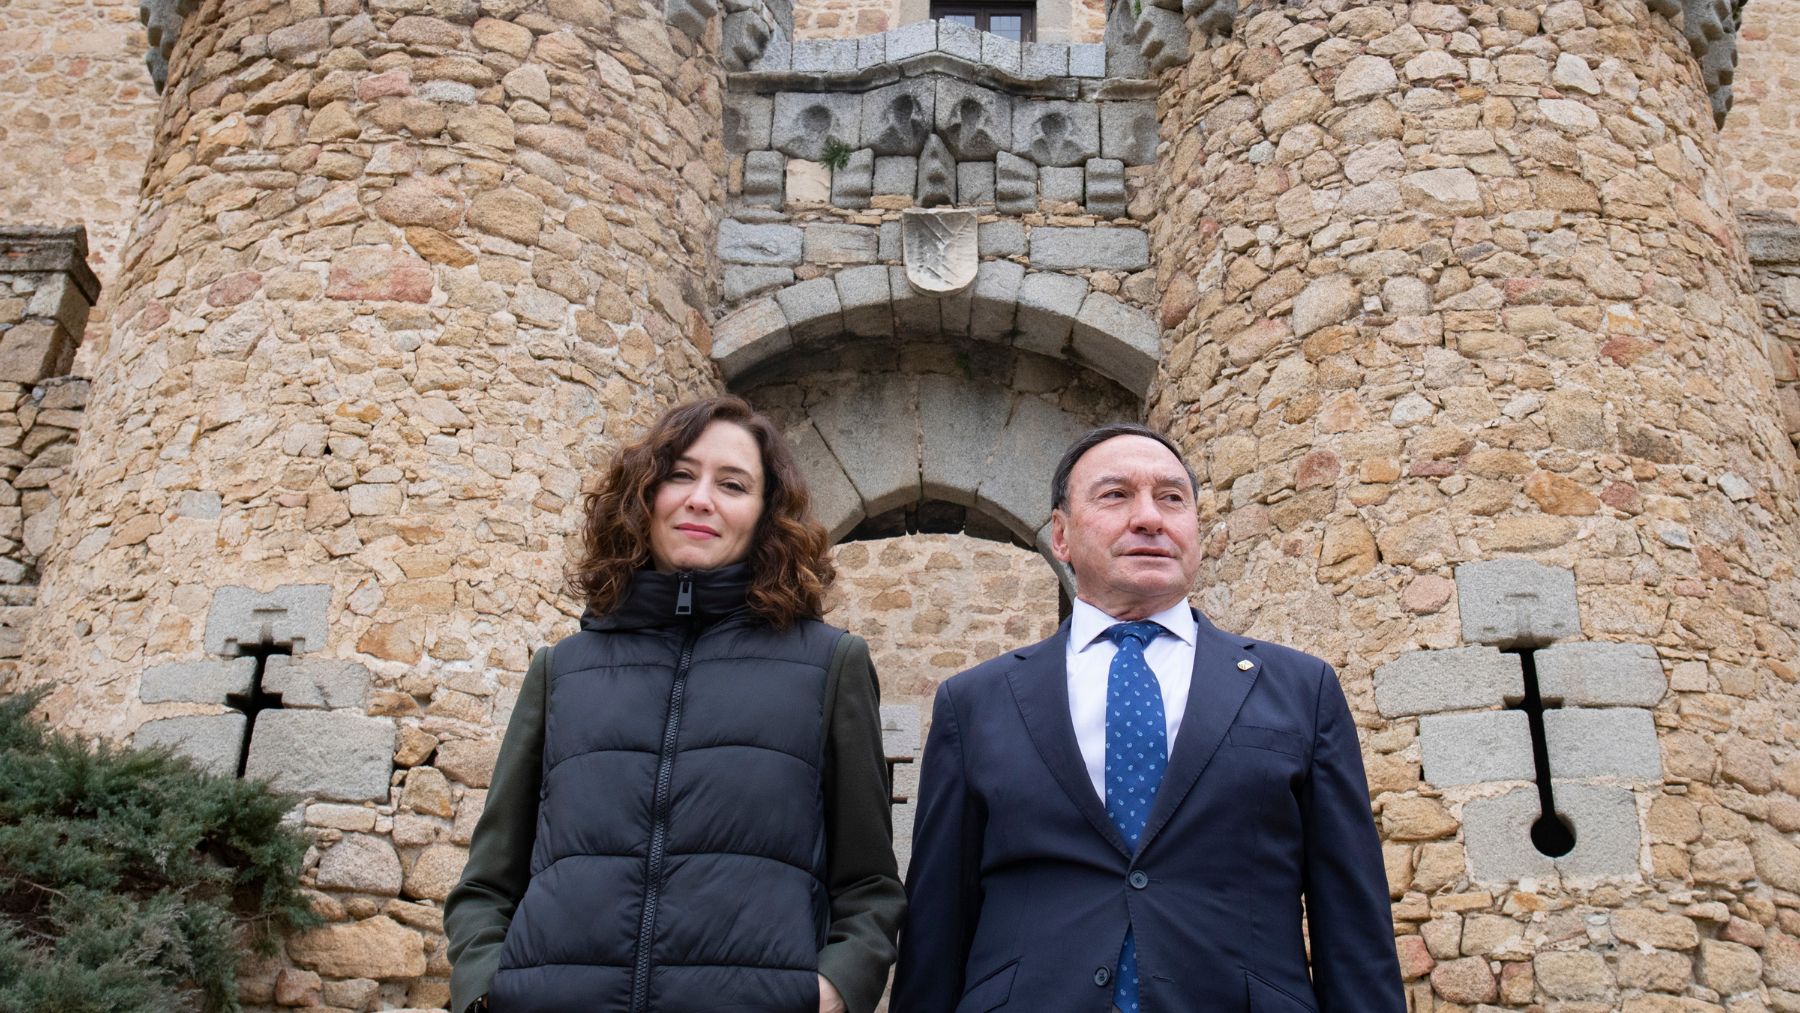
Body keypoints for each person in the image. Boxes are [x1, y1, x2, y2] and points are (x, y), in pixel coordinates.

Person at [890, 423, 1403, 1012]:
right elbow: (936, 927)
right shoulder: (976, 702)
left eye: (1171, 498)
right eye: (1115, 495)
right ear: (1060, 535)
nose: (1149, 518)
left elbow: (1353, 923)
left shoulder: (1299, 689)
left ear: (1197, 532)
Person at [445, 396, 904, 1013]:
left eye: (733, 484)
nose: (701, 499)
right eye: (680, 475)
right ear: (644, 495)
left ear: (765, 513)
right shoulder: (563, 670)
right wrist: (484, 989)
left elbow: (868, 885)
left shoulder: (830, 666)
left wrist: (832, 992)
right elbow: (487, 883)